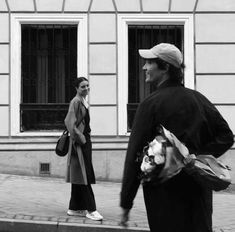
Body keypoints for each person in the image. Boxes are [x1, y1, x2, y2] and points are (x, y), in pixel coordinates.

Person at [120, 43, 234, 232]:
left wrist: (126, 202)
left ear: (165, 67)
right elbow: (226, 136)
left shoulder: (150, 105)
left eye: (149, 62)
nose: (144, 67)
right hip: (198, 194)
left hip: (163, 198)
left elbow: (134, 156)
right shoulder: (199, 100)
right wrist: (194, 159)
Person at [64, 77, 103, 221]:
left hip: (83, 142)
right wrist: (81, 138)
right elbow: (69, 123)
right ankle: (91, 210)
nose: (86, 88)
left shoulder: (83, 101)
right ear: (76, 88)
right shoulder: (75, 101)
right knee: (84, 175)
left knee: (79, 175)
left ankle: (74, 208)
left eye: (87, 86)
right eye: (82, 86)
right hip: (80, 143)